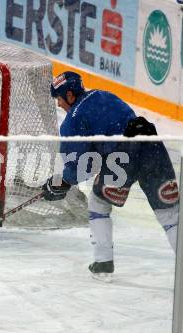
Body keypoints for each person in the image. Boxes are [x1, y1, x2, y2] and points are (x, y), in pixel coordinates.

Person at [41, 71, 179, 277]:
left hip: (122, 159)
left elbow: (81, 168)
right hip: (152, 147)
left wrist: (60, 183)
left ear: (70, 95)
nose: (59, 104)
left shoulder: (71, 121)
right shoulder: (103, 95)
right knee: (171, 216)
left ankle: (103, 261)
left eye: (59, 98)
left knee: (98, 204)